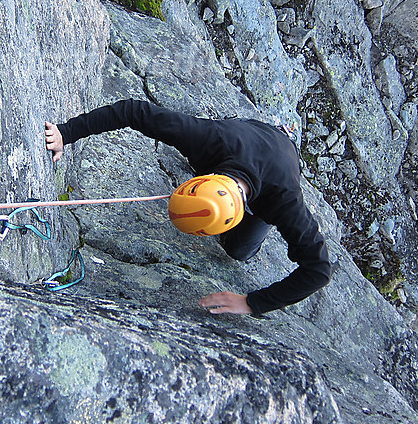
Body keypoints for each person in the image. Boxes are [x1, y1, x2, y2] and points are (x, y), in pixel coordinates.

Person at [44, 99, 332, 316]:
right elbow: (133, 111)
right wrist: (65, 133)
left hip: (282, 156)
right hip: (248, 134)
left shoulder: (285, 201)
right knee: (201, 142)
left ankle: (282, 139)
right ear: (206, 178)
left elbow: (318, 270)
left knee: (237, 250)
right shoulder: (208, 139)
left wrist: (251, 303)